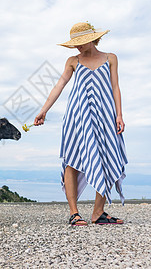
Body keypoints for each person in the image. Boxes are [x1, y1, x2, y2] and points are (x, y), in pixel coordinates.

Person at [34, 21, 128, 226]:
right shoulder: (72, 61)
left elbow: (115, 87)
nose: (77, 46)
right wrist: (44, 110)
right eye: (75, 43)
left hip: (105, 116)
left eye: (81, 42)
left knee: (108, 155)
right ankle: (74, 212)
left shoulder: (110, 58)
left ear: (92, 39)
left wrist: (119, 115)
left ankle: (98, 212)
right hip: (78, 117)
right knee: (72, 160)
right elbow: (60, 85)